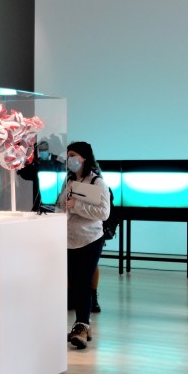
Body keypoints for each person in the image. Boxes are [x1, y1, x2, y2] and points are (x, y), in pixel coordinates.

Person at [56, 141, 110, 350]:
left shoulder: (97, 182)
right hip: (69, 239)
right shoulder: (69, 180)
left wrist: (77, 205)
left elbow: (103, 213)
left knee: (83, 283)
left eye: (73, 154)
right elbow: (61, 204)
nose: (69, 158)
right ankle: (81, 326)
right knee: (73, 283)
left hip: (89, 239)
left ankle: (81, 325)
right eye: (68, 155)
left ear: (84, 157)